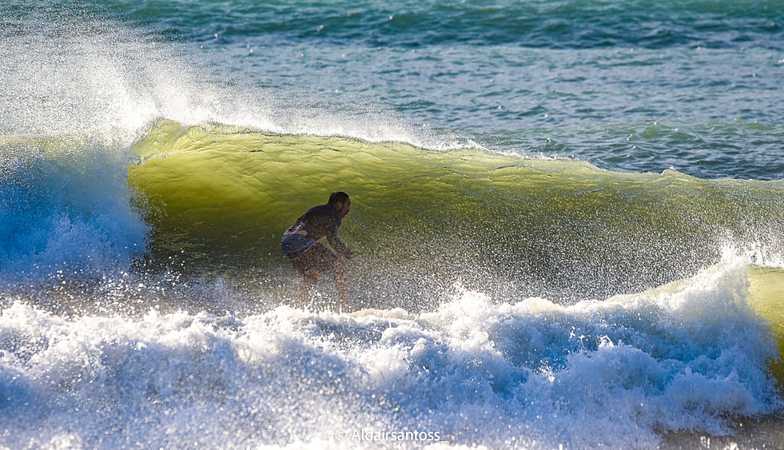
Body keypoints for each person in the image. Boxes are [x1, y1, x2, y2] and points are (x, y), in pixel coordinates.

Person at [280, 192, 353, 311]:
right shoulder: (334, 215)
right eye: (347, 204)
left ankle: (298, 308)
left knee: (311, 276)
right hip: (300, 242)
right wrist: (345, 252)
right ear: (339, 204)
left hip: (287, 242)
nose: (348, 209)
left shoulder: (317, 209)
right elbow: (332, 239)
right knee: (339, 266)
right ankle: (345, 307)